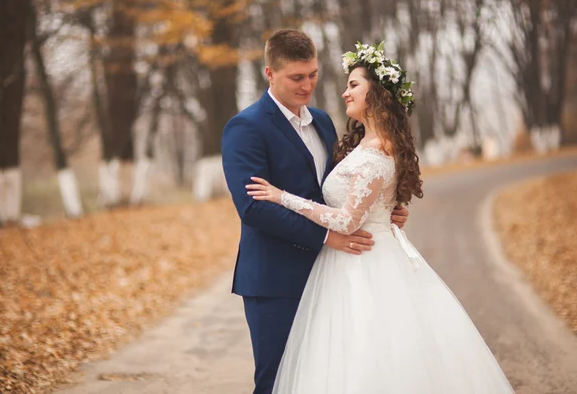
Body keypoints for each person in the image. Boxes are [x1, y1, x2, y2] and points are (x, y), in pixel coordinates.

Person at [245, 42, 515, 393]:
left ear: (379, 93)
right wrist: (386, 210)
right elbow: (361, 195)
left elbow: (346, 220)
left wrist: (282, 197)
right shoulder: (360, 142)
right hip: (340, 260)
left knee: (367, 355)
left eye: (353, 84)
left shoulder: (371, 151)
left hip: (362, 262)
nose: (344, 92)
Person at [221, 31, 409, 394]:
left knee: (328, 378)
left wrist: (384, 211)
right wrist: (327, 236)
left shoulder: (323, 121)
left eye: (313, 75)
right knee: (278, 380)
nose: (307, 85)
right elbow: (253, 208)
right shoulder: (246, 128)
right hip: (277, 278)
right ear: (270, 74)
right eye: (296, 77)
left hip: (332, 275)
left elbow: (344, 189)